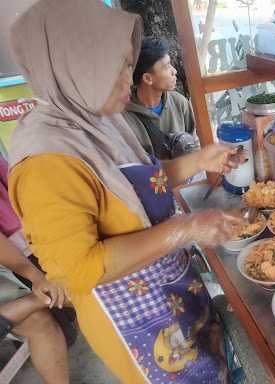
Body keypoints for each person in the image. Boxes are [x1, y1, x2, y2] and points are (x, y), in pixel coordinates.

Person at [8, 1, 245, 383]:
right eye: (116, 66)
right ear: (74, 66)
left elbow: (140, 181)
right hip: (137, 320)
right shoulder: (45, 161)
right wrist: (185, 228)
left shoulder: (96, 118)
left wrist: (200, 160)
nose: (127, 80)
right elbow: (78, 270)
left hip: (170, 286)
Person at [0, 155, 69, 384]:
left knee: (46, 315)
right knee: (41, 319)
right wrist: (34, 276)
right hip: (13, 259)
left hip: (19, 249)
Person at [123, 37, 197, 160]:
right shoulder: (124, 118)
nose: (175, 71)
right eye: (167, 66)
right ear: (147, 79)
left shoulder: (180, 103)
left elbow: (194, 145)